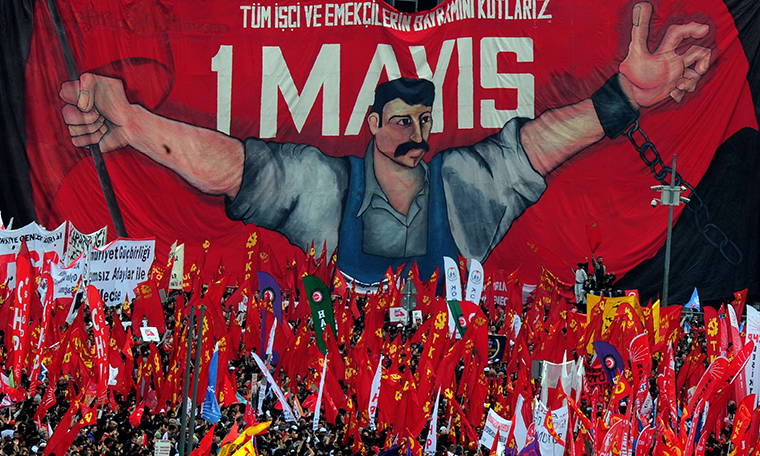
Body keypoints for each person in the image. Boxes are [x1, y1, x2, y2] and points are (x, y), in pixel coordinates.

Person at [59, 2, 711, 285]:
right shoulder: (325, 190)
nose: (414, 136)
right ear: (372, 124)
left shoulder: (462, 191)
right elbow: (232, 167)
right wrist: (136, 125)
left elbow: (537, 144)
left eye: (422, 123)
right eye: (399, 122)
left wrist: (623, 99)